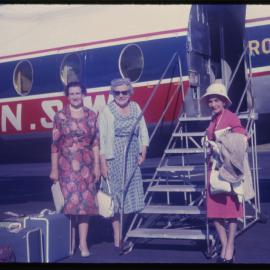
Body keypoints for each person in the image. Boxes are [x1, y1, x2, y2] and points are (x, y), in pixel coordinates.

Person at [49, 81, 100, 257]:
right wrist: (54, 169)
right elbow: (54, 145)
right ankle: (69, 242)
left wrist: (97, 167)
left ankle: (83, 243)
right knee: (70, 206)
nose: (75, 97)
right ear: (67, 96)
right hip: (66, 166)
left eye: (78, 93)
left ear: (83, 94)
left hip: (86, 165)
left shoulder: (92, 115)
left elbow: (95, 143)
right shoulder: (60, 116)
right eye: (72, 94)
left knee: (85, 205)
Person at [99, 78, 149, 250]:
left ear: (130, 92)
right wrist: (103, 164)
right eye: (117, 92)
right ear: (112, 93)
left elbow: (143, 130)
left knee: (128, 196)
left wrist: (144, 150)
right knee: (117, 197)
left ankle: (121, 230)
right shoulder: (107, 110)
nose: (121, 95)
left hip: (132, 156)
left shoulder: (136, 107)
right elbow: (102, 140)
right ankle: (117, 237)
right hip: (115, 159)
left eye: (124, 92)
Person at [201, 82, 247, 263]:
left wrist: (221, 142)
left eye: (216, 101)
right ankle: (224, 242)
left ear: (224, 101)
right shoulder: (214, 119)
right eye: (211, 102)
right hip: (214, 168)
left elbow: (241, 136)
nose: (213, 105)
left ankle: (229, 247)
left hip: (227, 169)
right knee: (214, 211)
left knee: (231, 210)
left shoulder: (230, 117)